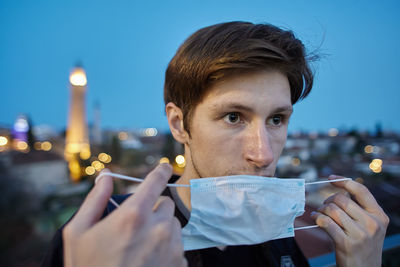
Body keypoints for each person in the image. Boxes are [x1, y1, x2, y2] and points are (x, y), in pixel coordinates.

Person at [42, 21, 389, 267]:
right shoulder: (101, 235)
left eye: (277, 119)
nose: (264, 155)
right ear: (179, 124)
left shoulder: (274, 234)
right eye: (233, 117)